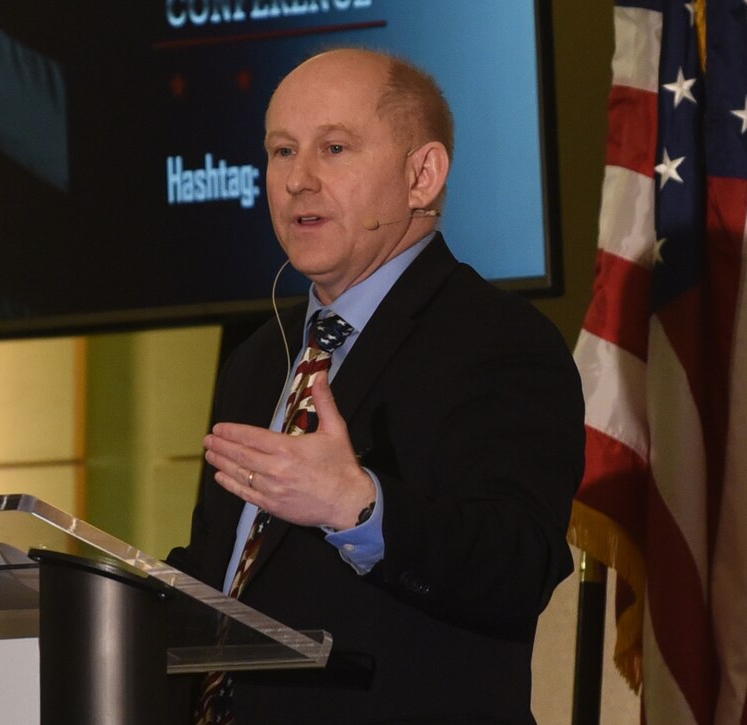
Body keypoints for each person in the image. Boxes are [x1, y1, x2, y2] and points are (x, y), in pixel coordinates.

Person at [167, 48, 585, 724]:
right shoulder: (257, 361)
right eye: (280, 151)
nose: (298, 180)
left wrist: (360, 508)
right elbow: (224, 571)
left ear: (422, 175)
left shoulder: (498, 339)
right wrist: (57, 608)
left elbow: (517, 564)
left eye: (334, 148)